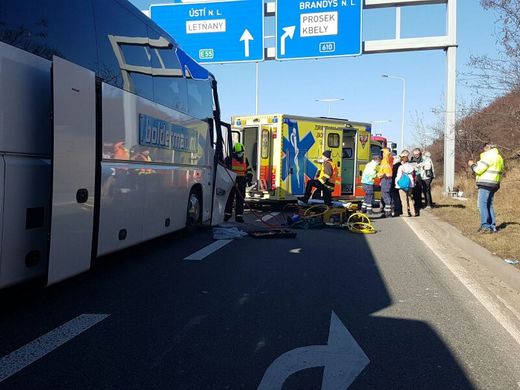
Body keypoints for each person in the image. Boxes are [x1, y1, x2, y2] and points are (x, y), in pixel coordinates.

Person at [468, 144, 504, 233]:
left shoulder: (487, 156)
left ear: (487, 148)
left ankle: (485, 226)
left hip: (485, 183)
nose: (483, 151)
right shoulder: (499, 157)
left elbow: (478, 170)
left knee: (482, 205)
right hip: (495, 183)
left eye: (484, 149)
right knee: (489, 205)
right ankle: (492, 226)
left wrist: (472, 165)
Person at [224, 143, 253, 223]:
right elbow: (224, 169)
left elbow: (249, 169)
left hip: (241, 181)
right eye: (239, 153)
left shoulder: (244, 159)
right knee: (229, 199)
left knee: (240, 200)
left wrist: (249, 178)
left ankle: (239, 216)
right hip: (231, 181)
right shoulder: (228, 159)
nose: (240, 155)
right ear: (234, 153)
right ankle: (227, 214)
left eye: (241, 153)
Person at [395, 150, 417, 217]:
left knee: (404, 200)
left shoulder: (401, 167)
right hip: (410, 184)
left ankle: (406, 213)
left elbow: (398, 177)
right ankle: (413, 212)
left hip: (403, 185)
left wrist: (397, 184)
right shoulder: (411, 167)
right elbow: (414, 175)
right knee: (410, 198)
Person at [378, 147, 394, 217]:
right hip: (383, 179)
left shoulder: (389, 159)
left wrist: (385, 150)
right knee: (384, 195)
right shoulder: (383, 160)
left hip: (387, 179)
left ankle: (388, 212)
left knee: (386, 195)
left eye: (383, 153)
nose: (382, 154)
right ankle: (387, 211)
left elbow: (388, 155)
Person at [410, 148, 423, 212]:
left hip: (419, 175)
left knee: (418, 190)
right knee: (414, 191)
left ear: (419, 153)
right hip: (413, 175)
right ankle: (416, 203)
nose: (416, 155)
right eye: (415, 154)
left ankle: (419, 204)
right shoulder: (412, 159)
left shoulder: (422, 159)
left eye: (417, 154)